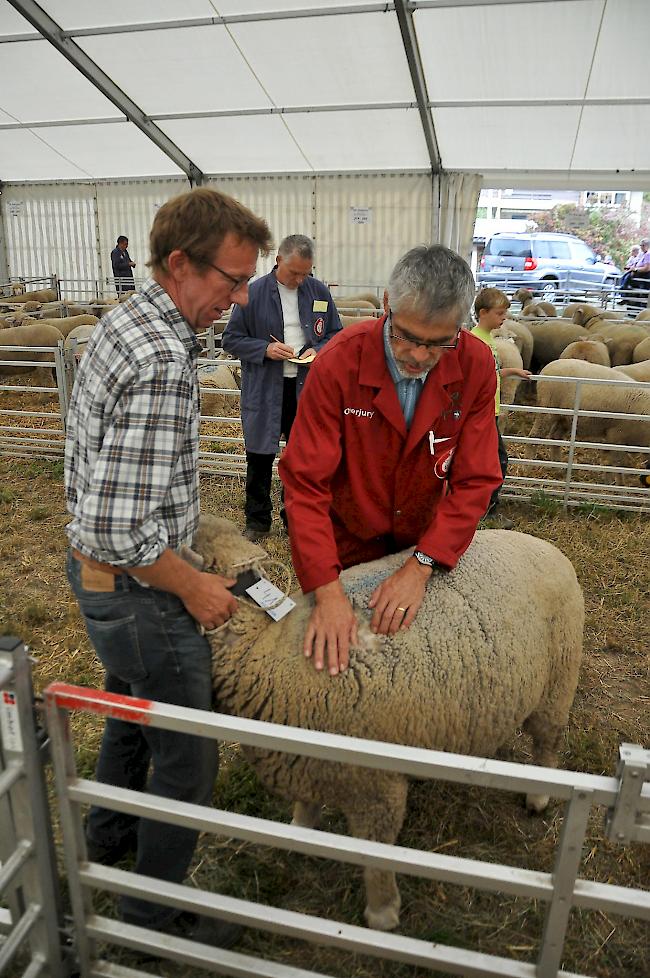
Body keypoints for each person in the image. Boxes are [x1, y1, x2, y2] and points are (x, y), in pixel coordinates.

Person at [64, 188, 272, 948]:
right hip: (138, 592)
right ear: (179, 264)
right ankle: (147, 924)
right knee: (186, 760)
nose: (239, 298)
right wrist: (195, 586)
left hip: (101, 585)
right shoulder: (159, 359)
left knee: (131, 719)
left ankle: (106, 847)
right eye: (229, 279)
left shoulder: (129, 323)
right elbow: (115, 525)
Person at [278, 244, 503, 677]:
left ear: (461, 326)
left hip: (422, 541)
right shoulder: (338, 364)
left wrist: (423, 563)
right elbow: (305, 484)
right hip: (346, 544)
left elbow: (476, 478)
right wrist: (326, 591)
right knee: (331, 670)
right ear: (386, 304)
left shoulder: (475, 364)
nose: (419, 355)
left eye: (439, 343)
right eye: (407, 336)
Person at [222, 234, 341, 541]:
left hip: (305, 389)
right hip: (265, 388)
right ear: (278, 262)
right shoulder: (254, 293)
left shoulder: (318, 291)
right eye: (294, 273)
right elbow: (231, 339)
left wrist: (319, 349)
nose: (300, 279)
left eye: (305, 273)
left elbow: (334, 333)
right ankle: (258, 521)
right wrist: (265, 349)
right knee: (259, 455)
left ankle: (296, 519)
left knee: (300, 458)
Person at [471, 288, 532, 529]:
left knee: (493, 460)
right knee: (498, 460)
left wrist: (512, 371)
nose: (504, 317)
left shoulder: (489, 341)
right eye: (499, 313)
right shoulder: (477, 342)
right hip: (483, 413)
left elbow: (490, 373)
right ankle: (488, 510)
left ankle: (484, 507)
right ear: (483, 313)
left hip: (491, 410)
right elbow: (474, 380)